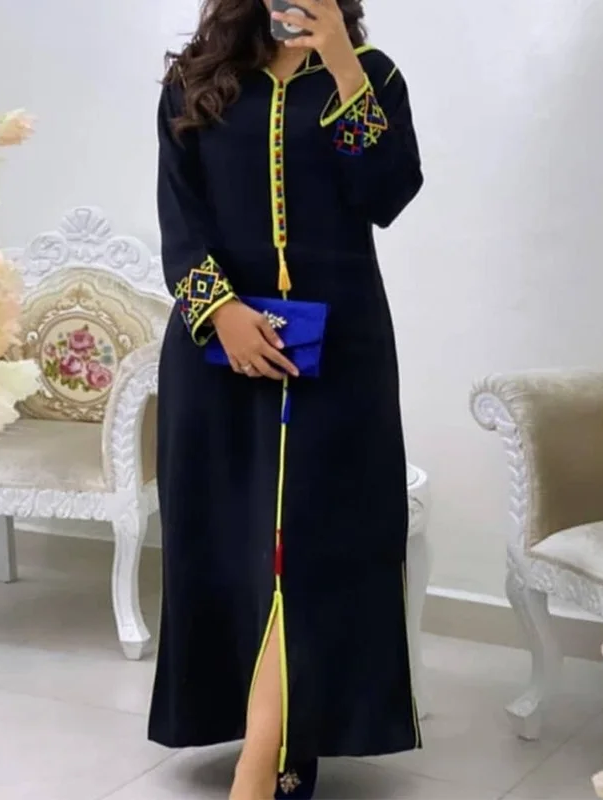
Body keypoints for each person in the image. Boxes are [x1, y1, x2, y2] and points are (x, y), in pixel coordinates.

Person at [148, 0, 424, 797]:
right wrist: (220, 313)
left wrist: (341, 63)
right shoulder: (199, 80)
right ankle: (273, 745)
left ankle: (259, 763)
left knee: (311, 550)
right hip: (218, 352)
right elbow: (179, 217)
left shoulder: (371, 77)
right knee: (232, 545)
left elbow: (387, 194)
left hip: (341, 355)